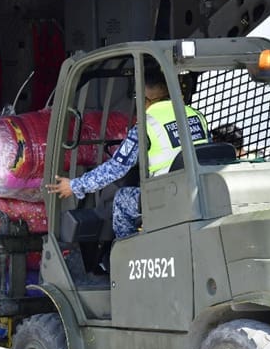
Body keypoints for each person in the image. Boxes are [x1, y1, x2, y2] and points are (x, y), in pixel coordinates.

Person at [45, 72, 208, 239]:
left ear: (146, 100)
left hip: (168, 194)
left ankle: (126, 252)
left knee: (122, 198)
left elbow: (116, 168)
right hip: (198, 189)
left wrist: (74, 185)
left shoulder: (146, 125)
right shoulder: (195, 116)